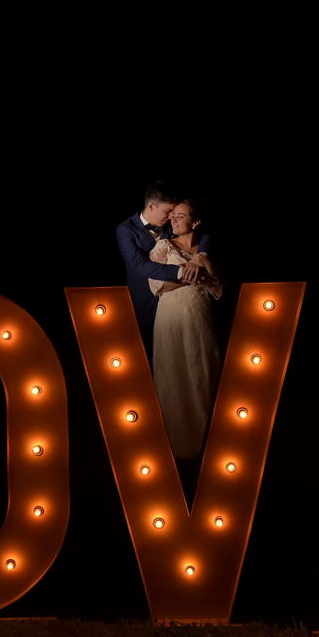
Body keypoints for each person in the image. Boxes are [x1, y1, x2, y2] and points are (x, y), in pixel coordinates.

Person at [148, 199, 222, 464]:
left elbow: (218, 290)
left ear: (196, 221)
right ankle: (177, 448)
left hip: (200, 317)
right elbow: (156, 286)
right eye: (173, 216)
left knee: (202, 371)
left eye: (181, 216)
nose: (174, 220)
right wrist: (185, 277)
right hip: (171, 318)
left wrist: (206, 275)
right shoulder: (163, 247)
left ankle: (208, 444)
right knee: (174, 373)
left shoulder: (205, 251)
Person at [115, 181, 206, 359]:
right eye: (168, 211)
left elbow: (204, 235)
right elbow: (139, 266)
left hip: (176, 306)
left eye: (174, 213)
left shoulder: (171, 226)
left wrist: (202, 255)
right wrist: (181, 272)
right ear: (151, 206)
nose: (172, 216)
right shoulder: (126, 230)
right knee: (148, 358)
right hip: (144, 304)